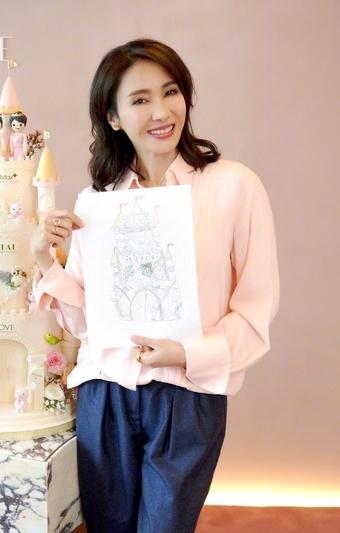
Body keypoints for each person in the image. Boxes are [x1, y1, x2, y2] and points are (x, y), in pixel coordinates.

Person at [30, 38, 280, 533]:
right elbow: (88, 325)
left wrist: (185, 353)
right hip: (106, 391)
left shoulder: (234, 186)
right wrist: (44, 258)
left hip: (187, 394)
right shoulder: (98, 201)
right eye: (140, 99)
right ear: (113, 117)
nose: (162, 111)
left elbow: (256, 308)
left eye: (171, 92)